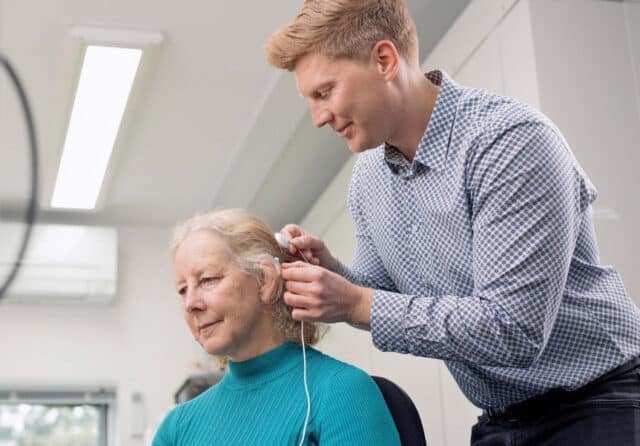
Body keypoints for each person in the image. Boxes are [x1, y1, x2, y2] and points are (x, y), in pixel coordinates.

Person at [264, 1, 640, 444]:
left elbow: (512, 331)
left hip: (600, 403)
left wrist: (352, 302)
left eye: (325, 92)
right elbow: (379, 290)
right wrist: (335, 274)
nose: (318, 118)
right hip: (501, 419)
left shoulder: (508, 142)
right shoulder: (368, 177)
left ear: (384, 61)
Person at [151, 209, 400, 446]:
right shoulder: (176, 429)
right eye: (183, 290)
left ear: (265, 280)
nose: (191, 303)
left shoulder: (342, 393)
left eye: (207, 280)